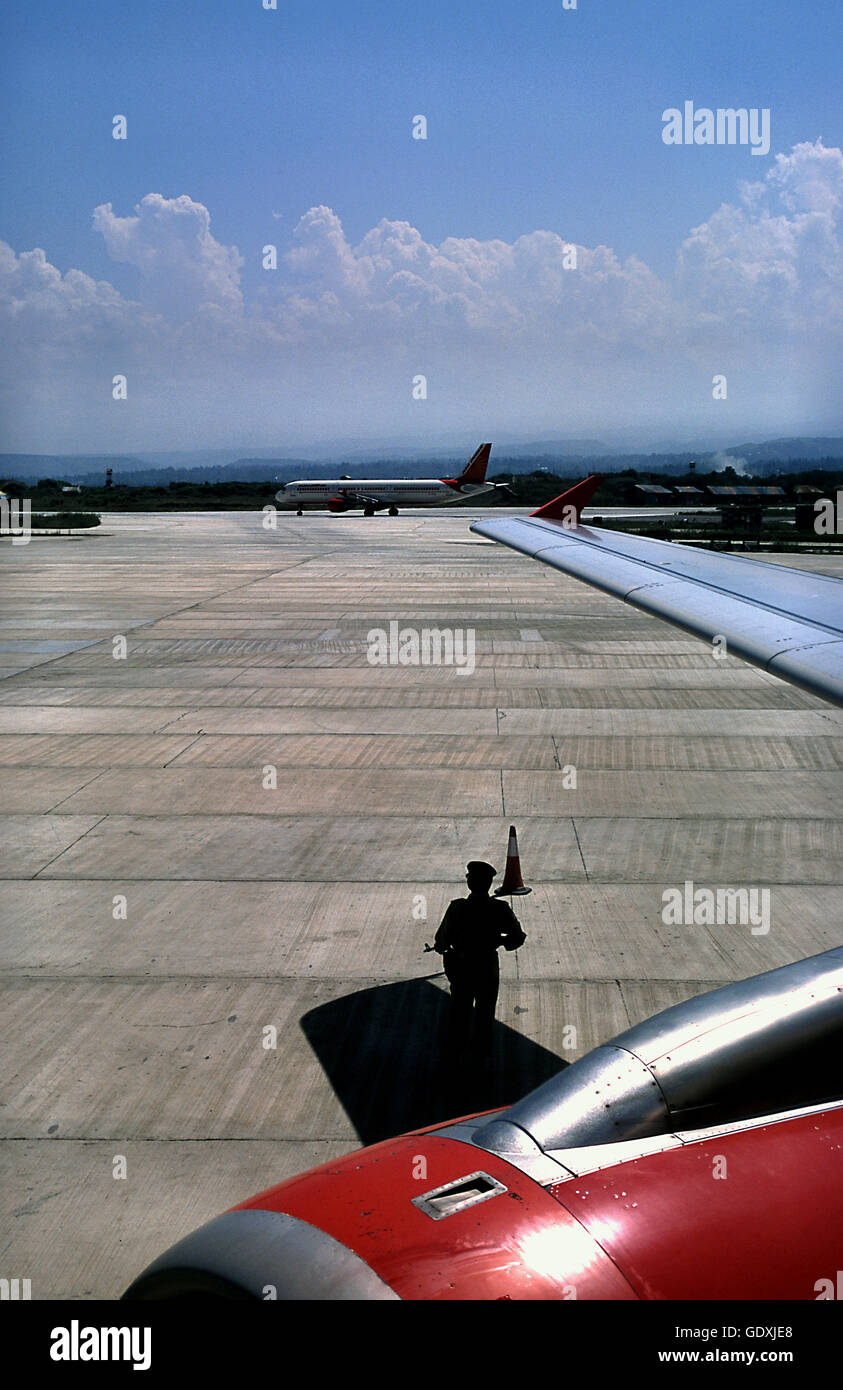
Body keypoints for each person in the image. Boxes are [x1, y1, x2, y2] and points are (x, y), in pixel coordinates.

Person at [432, 861, 526, 1058]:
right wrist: (498, 941)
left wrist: (446, 948)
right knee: (485, 1013)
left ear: (470, 883)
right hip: (486, 966)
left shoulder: (457, 908)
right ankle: (481, 1055)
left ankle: (456, 1055)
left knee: (460, 1012)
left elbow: (441, 940)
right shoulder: (500, 908)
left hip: (462, 967)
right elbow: (518, 937)